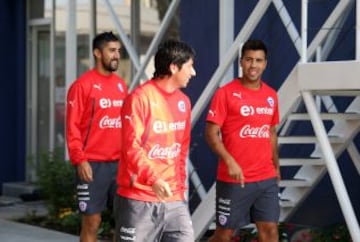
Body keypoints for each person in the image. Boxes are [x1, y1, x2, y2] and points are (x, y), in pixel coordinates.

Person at [114, 39, 196, 242]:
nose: (193, 73)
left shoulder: (184, 102)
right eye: (190, 66)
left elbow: (181, 151)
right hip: (139, 199)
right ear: (174, 67)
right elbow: (131, 147)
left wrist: (181, 191)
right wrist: (154, 179)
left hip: (174, 199)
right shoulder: (139, 98)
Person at [205, 39, 280, 242]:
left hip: (266, 177)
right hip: (234, 180)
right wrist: (229, 161)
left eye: (258, 60)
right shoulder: (225, 93)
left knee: (270, 231)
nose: (253, 65)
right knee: (224, 235)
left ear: (265, 63)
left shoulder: (271, 96)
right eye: (249, 59)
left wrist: (276, 166)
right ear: (241, 62)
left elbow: (271, 133)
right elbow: (211, 133)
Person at [66, 31, 128, 242]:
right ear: (97, 53)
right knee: (92, 222)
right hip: (92, 165)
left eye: (118, 51)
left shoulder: (121, 85)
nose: (116, 55)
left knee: (126, 221)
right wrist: (80, 160)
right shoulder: (82, 86)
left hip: (119, 164)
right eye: (111, 50)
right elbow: (72, 127)